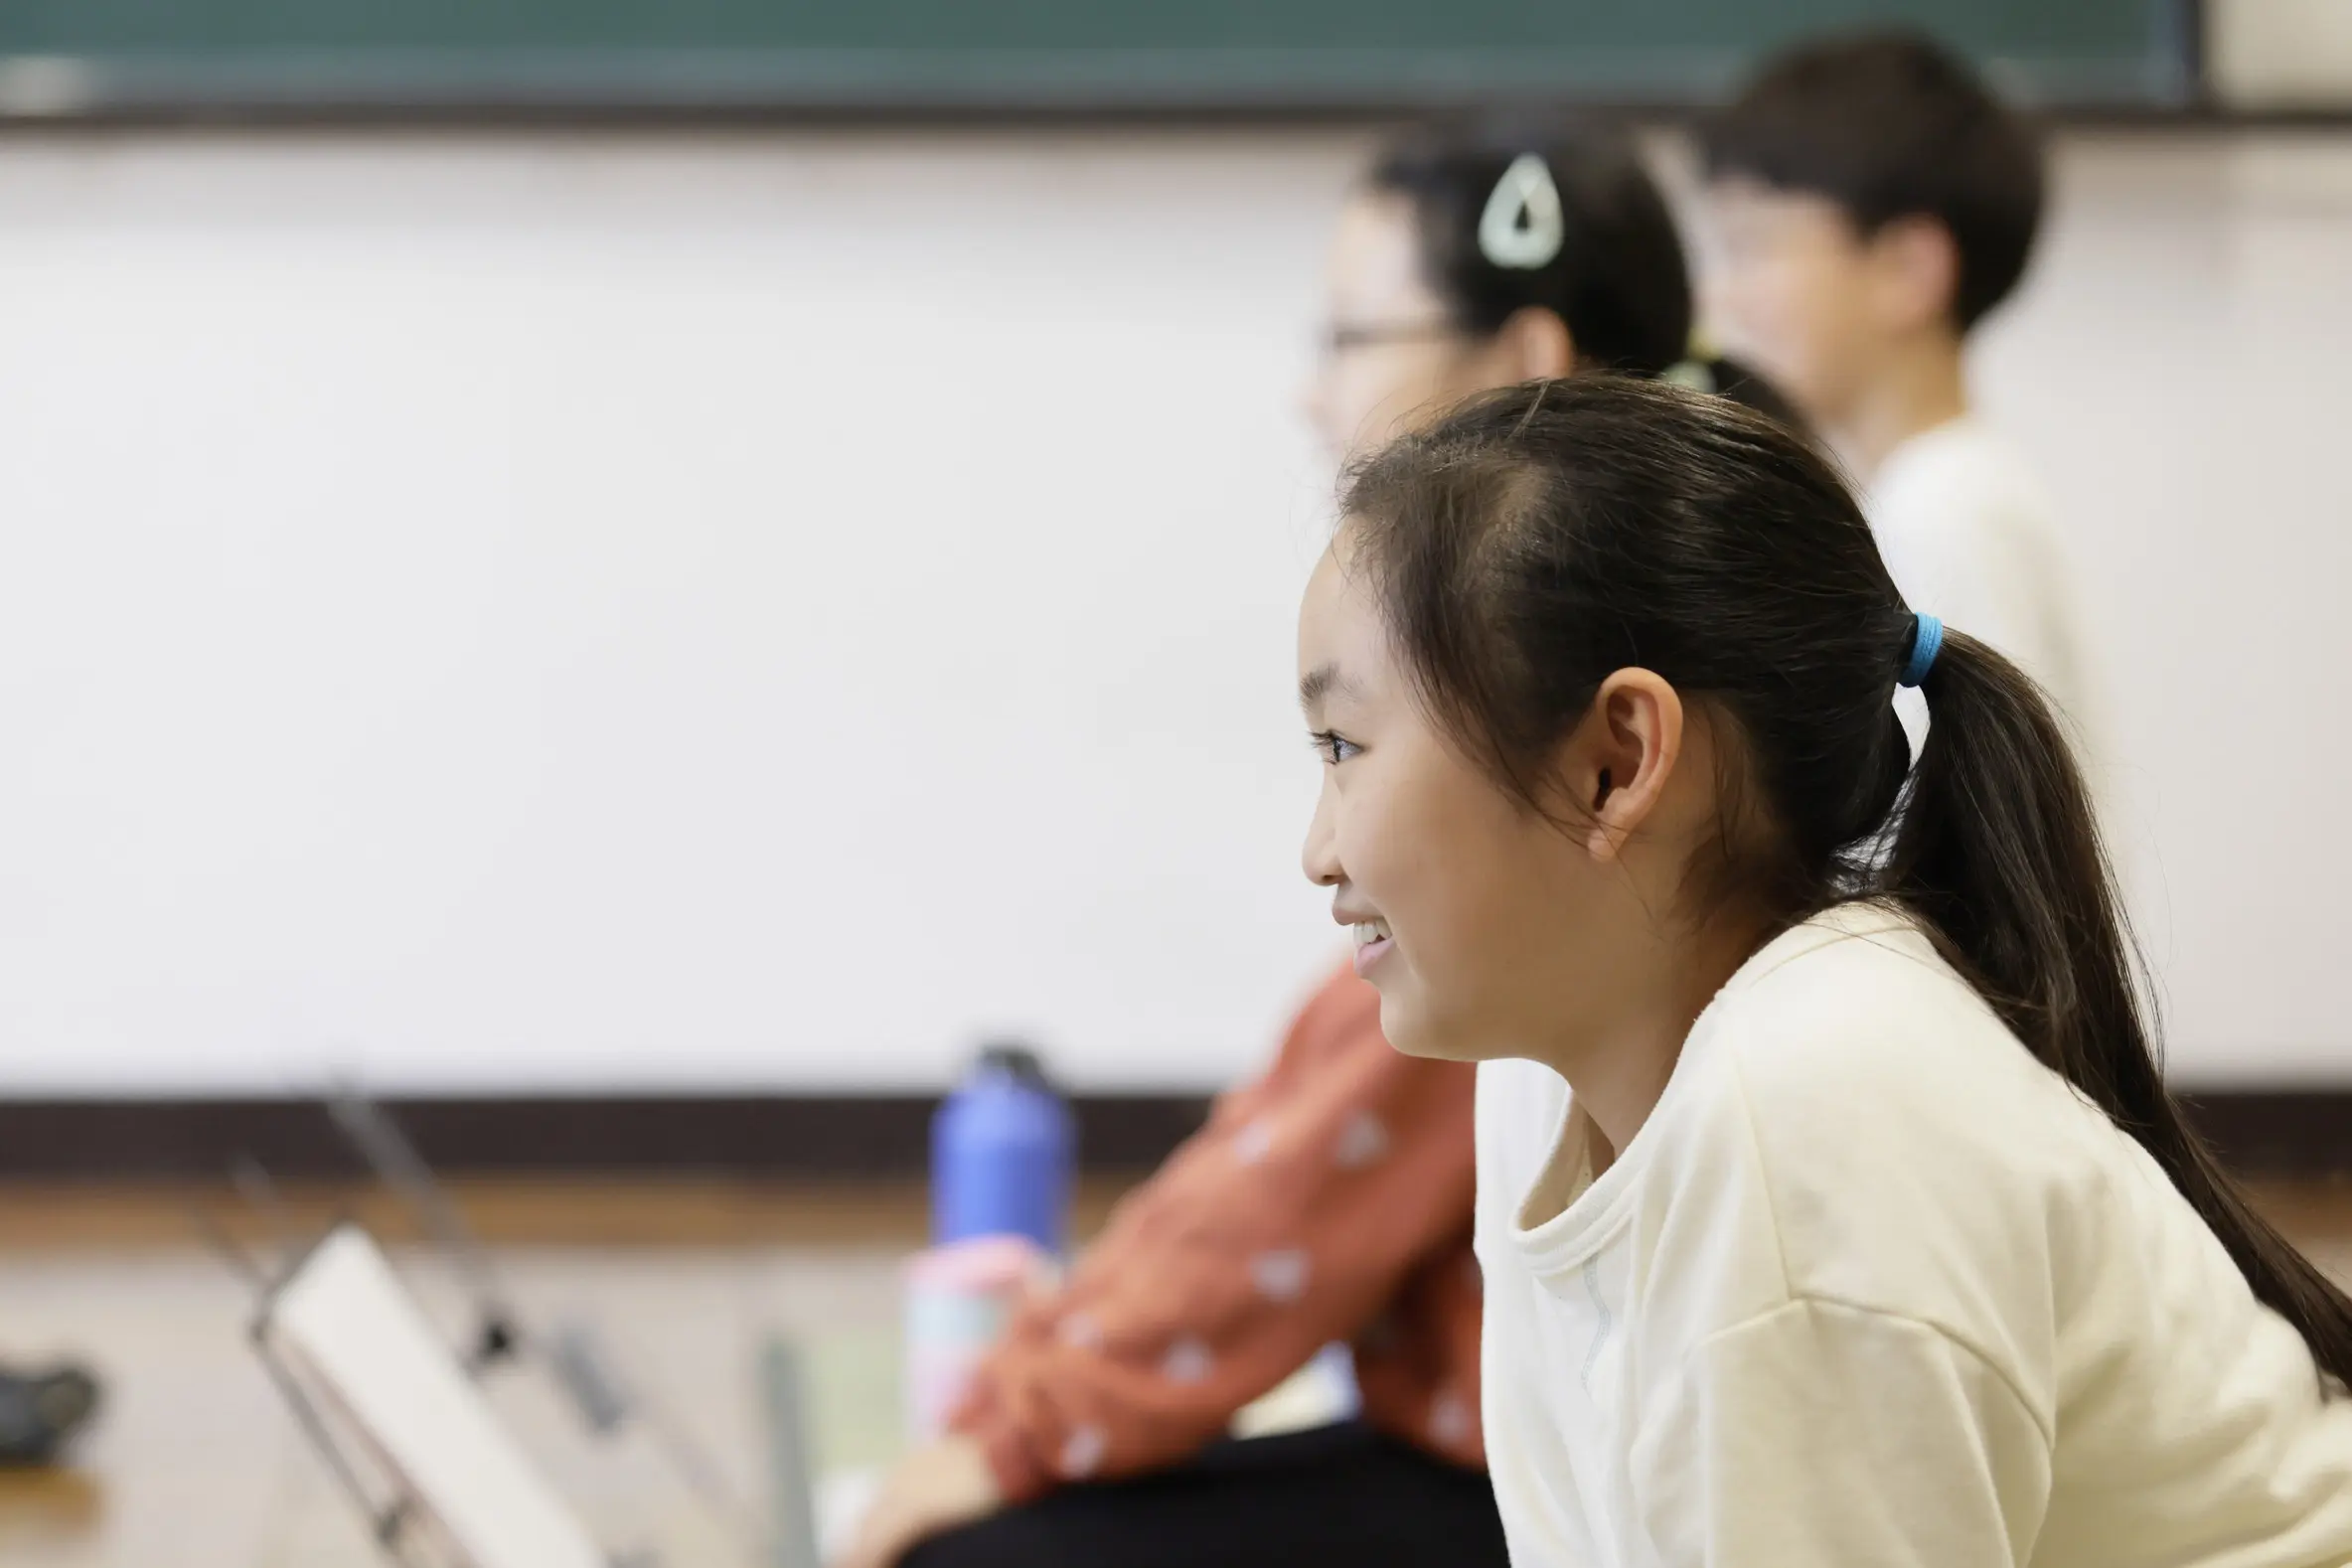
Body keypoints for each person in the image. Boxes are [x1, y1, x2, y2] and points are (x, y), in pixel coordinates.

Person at [837, 125, 1802, 1568]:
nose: (1312, 391)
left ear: (1522, 360)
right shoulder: (1627, 671)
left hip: (1544, 1485)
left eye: (1351, 337)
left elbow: (1296, 1189)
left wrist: (1014, 1424)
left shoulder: (1566, 741)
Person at [1298, 374, 2352, 1565]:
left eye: (1345, 746)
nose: (1316, 852)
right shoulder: (1539, 1081)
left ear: (1617, 762)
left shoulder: (1812, 1102)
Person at [1698, 30, 2101, 745]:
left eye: (1753, 247)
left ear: (1908, 270)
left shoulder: (1942, 514)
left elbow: (1959, 793)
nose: (1724, 297)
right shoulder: (1940, 493)